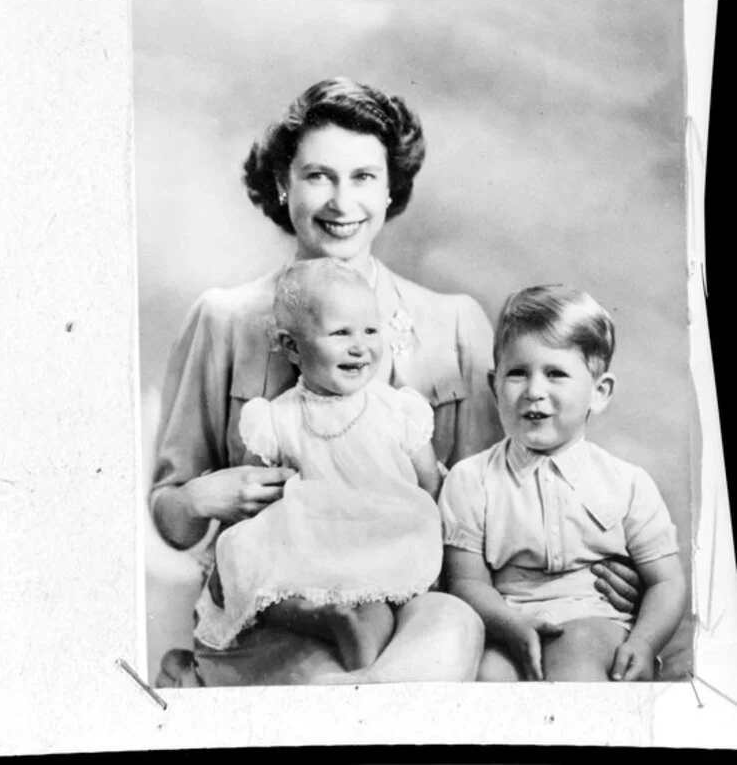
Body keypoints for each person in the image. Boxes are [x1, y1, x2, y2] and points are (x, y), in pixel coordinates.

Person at [149, 77, 640, 687]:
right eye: (317, 175)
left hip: (415, 603)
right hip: (278, 613)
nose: (340, 201)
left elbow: (498, 500)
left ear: (389, 191)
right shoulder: (225, 319)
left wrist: (598, 566)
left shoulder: (453, 322)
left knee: (452, 627)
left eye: (363, 177)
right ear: (282, 183)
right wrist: (200, 497)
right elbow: (172, 520)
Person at [195, 259, 444, 674]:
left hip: (375, 539)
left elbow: (430, 480)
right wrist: (239, 552)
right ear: (292, 347)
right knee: (260, 589)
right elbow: (256, 491)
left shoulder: (396, 409)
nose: (360, 346)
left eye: (370, 330)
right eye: (341, 332)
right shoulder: (275, 418)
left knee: (373, 601)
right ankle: (320, 618)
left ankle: (358, 644)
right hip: (307, 541)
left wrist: (420, 541)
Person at [439, 284, 686, 682]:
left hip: (595, 619)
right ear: (494, 385)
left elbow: (666, 581)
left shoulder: (627, 483)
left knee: (576, 659)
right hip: (507, 620)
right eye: (517, 373)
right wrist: (510, 624)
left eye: (556, 374)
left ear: (599, 393)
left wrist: (644, 643)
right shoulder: (471, 481)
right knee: (487, 680)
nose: (535, 391)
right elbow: (466, 581)